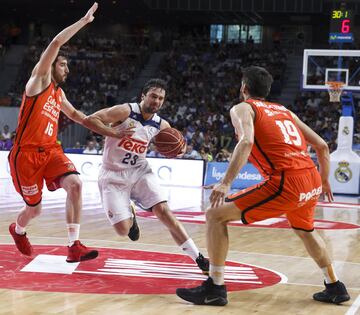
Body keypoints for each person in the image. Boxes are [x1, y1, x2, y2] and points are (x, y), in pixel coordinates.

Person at [176, 66, 350, 306]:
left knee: (214, 215)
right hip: (310, 177)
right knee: (305, 230)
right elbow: (321, 146)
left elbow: (246, 141)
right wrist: (324, 180)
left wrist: (226, 183)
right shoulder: (284, 110)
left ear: (244, 88)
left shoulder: (243, 108)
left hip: (287, 180)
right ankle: (334, 286)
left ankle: (215, 287)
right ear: (266, 90)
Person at [83, 78, 209, 273]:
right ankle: (131, 215)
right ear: (143, 96)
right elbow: (90, 120)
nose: (156, 101)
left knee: (164, 212)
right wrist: (114, 133)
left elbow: (178, 146)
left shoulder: (161, 125)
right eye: (153, 96)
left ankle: (198, 257)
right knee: (123, 230)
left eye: (160, 98)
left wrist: (179, 149)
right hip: (113, 175)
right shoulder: (125, 111)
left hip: (140, 171)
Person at [8, 3, 99, 263]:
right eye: (63, 65)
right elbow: (57, 41)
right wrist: (84, 21)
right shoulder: (38, 81)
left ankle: (74, 245)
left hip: (50, 152)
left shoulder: (60, 94)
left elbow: (79, 116)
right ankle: (18, 229)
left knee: (76, 184)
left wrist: (113, 131)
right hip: (25, 156)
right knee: (34, 210)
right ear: (50, 66)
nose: (67, 69)